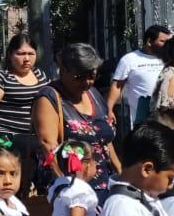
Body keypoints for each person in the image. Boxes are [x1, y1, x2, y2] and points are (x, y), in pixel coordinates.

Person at [32, 43, 121, 200]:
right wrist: (65, 186)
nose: (87, 82)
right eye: (79, 77)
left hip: (104, 184)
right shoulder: (49, 98)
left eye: (92, 76)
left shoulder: (93, 94)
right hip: (70, 187)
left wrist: (121, 174)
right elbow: (48, 146)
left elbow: (105, 140)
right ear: (63, 70)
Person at [0, 34, 49, 196]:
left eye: (31, 54)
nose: (26, 59)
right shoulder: (0, 77)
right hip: (6, 142)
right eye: (21, 54)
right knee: (5, 190)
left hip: (33, 143)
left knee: (33, 190)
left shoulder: (40, 75)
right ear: (10, 54)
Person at [106, 24, 171, 129]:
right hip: (143, 120)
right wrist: (109, 109)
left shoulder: (170, 59)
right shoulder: (130, 59)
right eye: (163, 41)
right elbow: (117, 86)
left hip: (169, 117)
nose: (167, 45)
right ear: (149, 41)